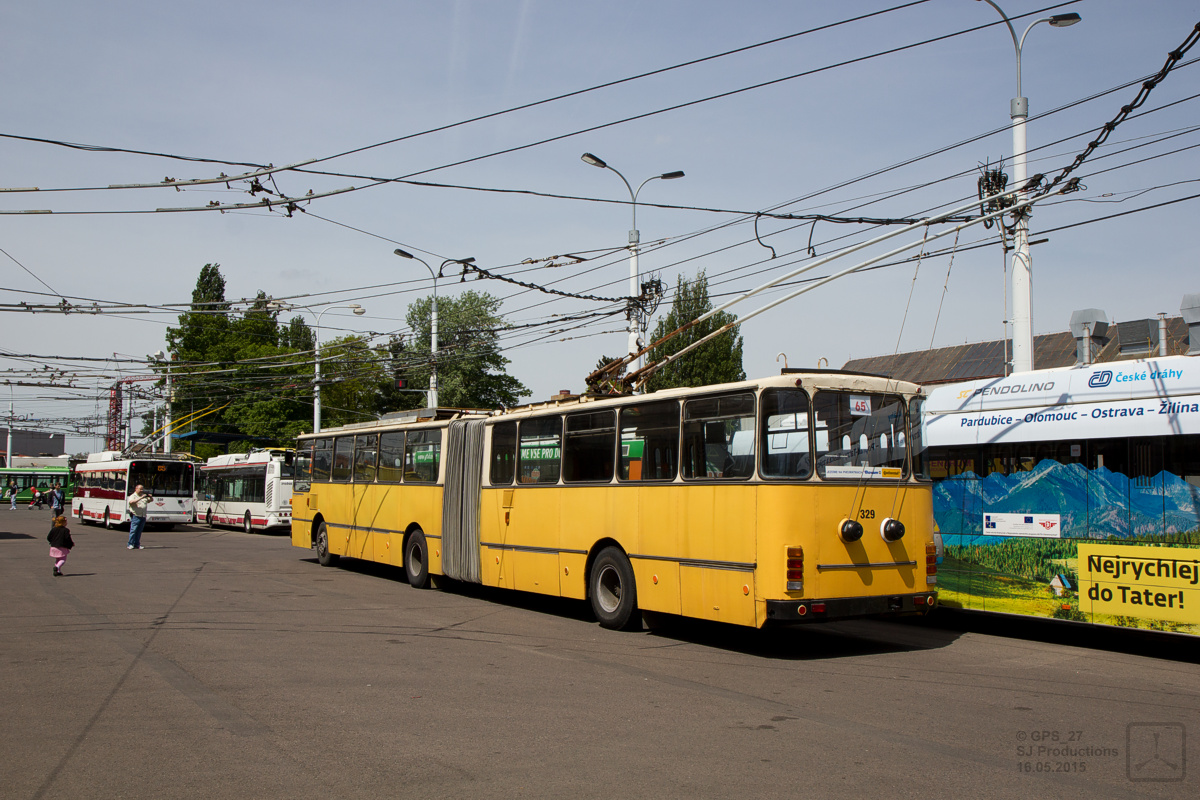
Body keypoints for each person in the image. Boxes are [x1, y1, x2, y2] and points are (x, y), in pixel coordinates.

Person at [127, 484, 151, 550]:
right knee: (133, 530)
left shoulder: (144, 496)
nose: (141, 490)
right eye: (140, 489)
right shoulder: (133, 496)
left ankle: (137, 544)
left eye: (142, 489)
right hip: (136, 516)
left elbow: (150, 500)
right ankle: (130, 544)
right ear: (136, 489)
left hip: (143, 516)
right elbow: (131, 502)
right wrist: (140, 498)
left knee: (139, 531)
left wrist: (150, 497)